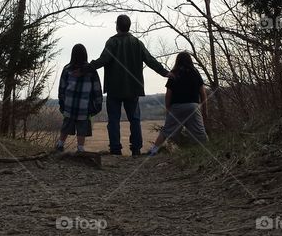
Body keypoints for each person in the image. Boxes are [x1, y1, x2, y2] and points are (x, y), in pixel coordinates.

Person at [87, 15, 170, 157]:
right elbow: (150, 60)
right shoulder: (137, 43)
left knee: (113, 120)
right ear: (129, 26)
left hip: (114, 89)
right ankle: (136, 149)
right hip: (133, 89)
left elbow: (104, 60)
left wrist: (87, 67)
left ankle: (115, 149)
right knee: (135, 119)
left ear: (117, 26)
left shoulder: (112, 42)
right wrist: (165, 72)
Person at [148, 51, 209, 156]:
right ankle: (208, 151)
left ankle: (154, 150)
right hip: (193, 106)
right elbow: (202, 93)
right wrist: (204, 109)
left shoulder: (174, 73)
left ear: (177, 61)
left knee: (166, 130)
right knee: (200, 132)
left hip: (176, 107)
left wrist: (168, 108)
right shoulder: (195, 72)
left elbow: (168, 94)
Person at [56, 44, 103, 153]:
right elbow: (97, 89)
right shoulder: (91, 71)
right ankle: (80, 148)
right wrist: (98, 104)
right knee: (82, 128)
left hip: (69, 104)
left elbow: (62, 88)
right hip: (84, 106)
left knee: (66, 125)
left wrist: (62, 102)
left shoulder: (67, 69)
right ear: (85, 54)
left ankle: (60, 145)